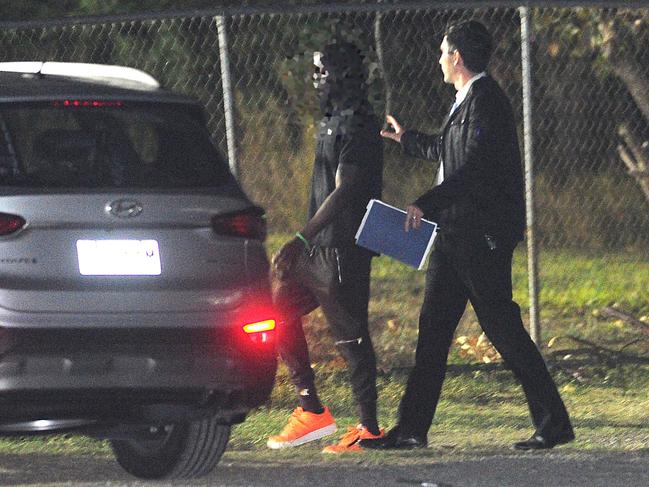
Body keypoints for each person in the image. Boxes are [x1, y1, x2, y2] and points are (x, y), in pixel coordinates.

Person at [360, 20, 574, 451]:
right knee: (434, 328)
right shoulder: (466, 102)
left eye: (443, 52)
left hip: (481, 236)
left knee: (501, 327)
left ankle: (554, 424)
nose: (439, 59)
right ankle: (412, 430)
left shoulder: (487, 101)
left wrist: (426, 202)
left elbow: (473, 169)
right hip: (454, 235)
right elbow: (448, 149)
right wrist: (408, 139)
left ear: (456, 57)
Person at [267, 41, 384, 453]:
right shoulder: (333, 120)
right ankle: (311, 410)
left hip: (342, 248)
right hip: (317, 247)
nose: (315, 79)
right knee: (275, 307)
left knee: (351, 336)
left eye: (321, 71)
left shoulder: (358, 125)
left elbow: (345, 190)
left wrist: (300, 237)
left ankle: (369, 428)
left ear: (340, 75)